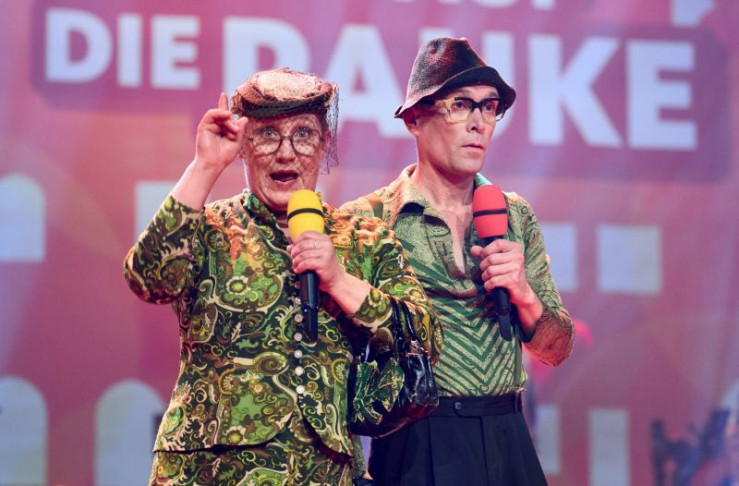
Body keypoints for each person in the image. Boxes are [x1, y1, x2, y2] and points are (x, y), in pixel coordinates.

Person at [123, 67, 441, 486]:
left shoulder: (364, 240)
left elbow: (426, 338)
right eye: (268, 134)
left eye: (303, 134)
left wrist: (340, 281)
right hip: (208, 472)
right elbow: (147, 278)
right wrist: (204, 166)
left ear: (324, 142)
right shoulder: (210, 228)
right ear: (244, 145)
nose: (286, 153)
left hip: (322, 471)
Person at [341, 37, 575, 485]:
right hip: (415, 439)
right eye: (461, 105)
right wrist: (353, 470)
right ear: (415, 118)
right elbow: (339, 358)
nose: (478, 123)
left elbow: (557, 348)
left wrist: (524, 295)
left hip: (508, 435)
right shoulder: (367, 220)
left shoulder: (514, 214)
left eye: (489, 107)